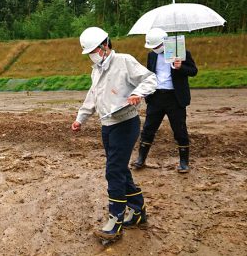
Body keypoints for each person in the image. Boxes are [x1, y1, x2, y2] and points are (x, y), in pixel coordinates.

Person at [71, 27, 156, 240]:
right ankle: (138, 210)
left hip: (126, 124)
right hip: (107, 126)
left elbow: (150, 79)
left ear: (105, 45)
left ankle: (115, 219)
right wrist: (80, 118)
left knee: (113, 171)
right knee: (118, 168)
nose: (92, 55)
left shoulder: (124, 61)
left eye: (94, 50)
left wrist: (138, 93)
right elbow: (93, 96)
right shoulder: (96, 69)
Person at [132, 28, 198, 173]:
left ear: (163, 43)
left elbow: (193, 71)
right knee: (148, 128)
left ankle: (183, 162)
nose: (154, 49)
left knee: (180, 130)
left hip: (175, 98)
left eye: (156, 46)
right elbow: (149, 74)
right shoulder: (152, 56)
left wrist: (180, 67)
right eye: (152, 47)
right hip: (156, 97)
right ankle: (141, 159)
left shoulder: (182, 53)